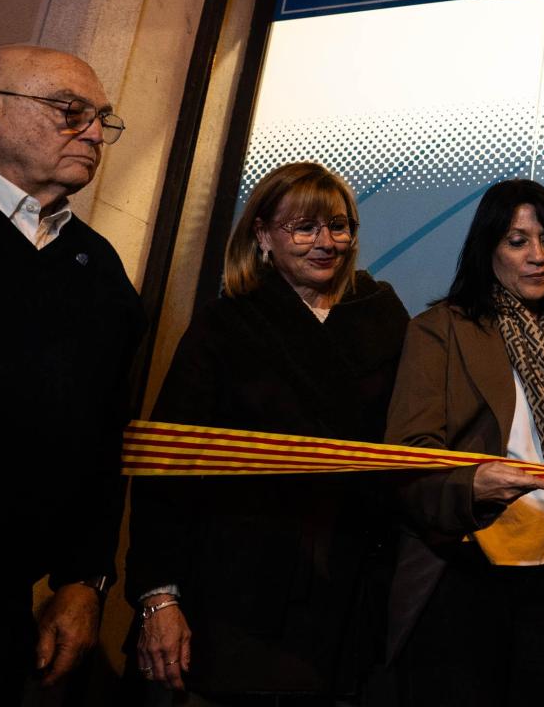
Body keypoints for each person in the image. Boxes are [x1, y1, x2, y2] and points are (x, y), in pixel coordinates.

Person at [126, 161, 410, 700]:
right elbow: (166, 465)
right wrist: (159, 596)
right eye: (304, 228)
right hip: (236, 591)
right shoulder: (225, 324)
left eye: (339, 225)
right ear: (262, 235)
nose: (326, 242)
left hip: (350, 589)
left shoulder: (384, 315)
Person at [386, 179, 544, 706]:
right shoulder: (441, 329)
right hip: (468, 575)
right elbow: (406, 457)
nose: (537, 256)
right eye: (517, 241)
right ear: (488, 248)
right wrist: (472, 485)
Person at [0, 45, 142, 699]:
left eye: (102, 119)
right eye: (70, 112)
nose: (96, 134)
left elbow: (105, 443)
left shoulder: (100, 274)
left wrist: (84, 581)